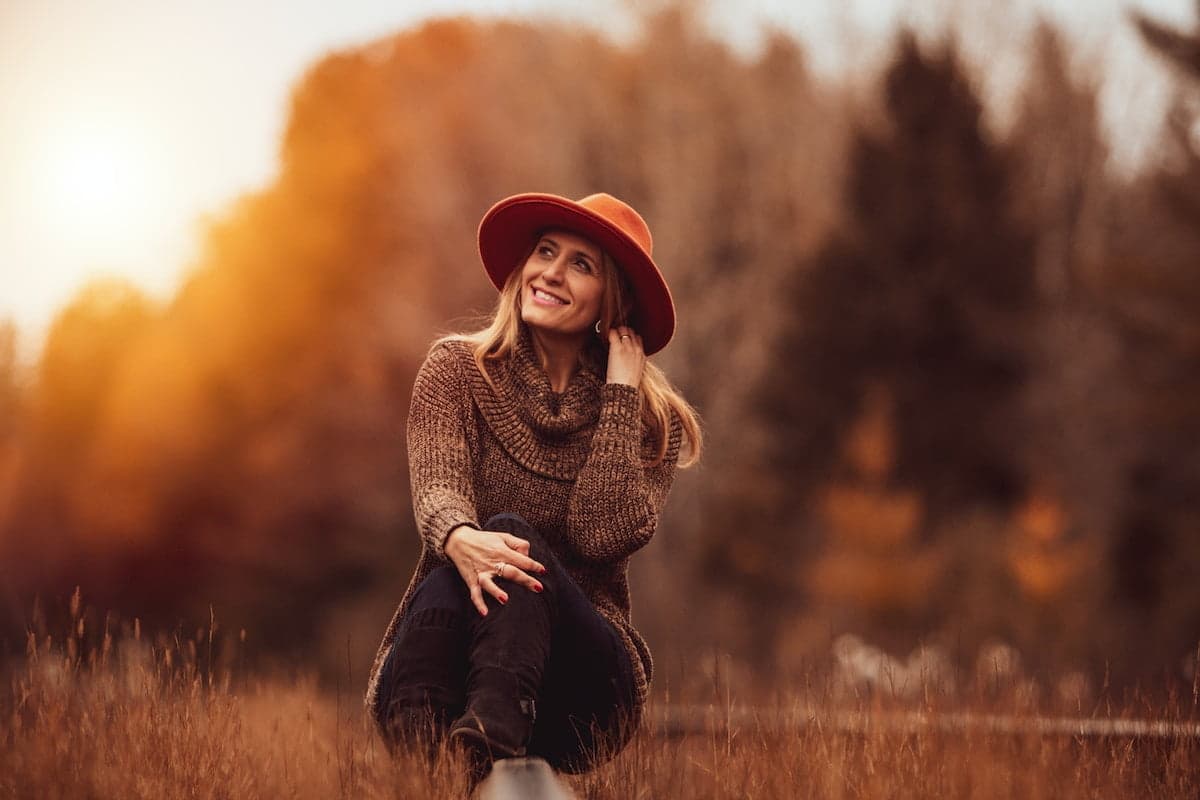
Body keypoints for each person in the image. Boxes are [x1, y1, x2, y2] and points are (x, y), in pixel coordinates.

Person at [364, 192, 702, 777]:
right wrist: (458, 537)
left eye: (581, 264)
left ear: (612, 298)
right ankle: (422, 756)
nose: (550, 271)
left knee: (509, 538)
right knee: (456, 573)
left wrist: (620, 395)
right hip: (450, 659)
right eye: (545, 251)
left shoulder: (653, 422)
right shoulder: (454, 371)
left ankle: (493, 728)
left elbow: (601, 534)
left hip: (583, 691)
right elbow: (438, 488)